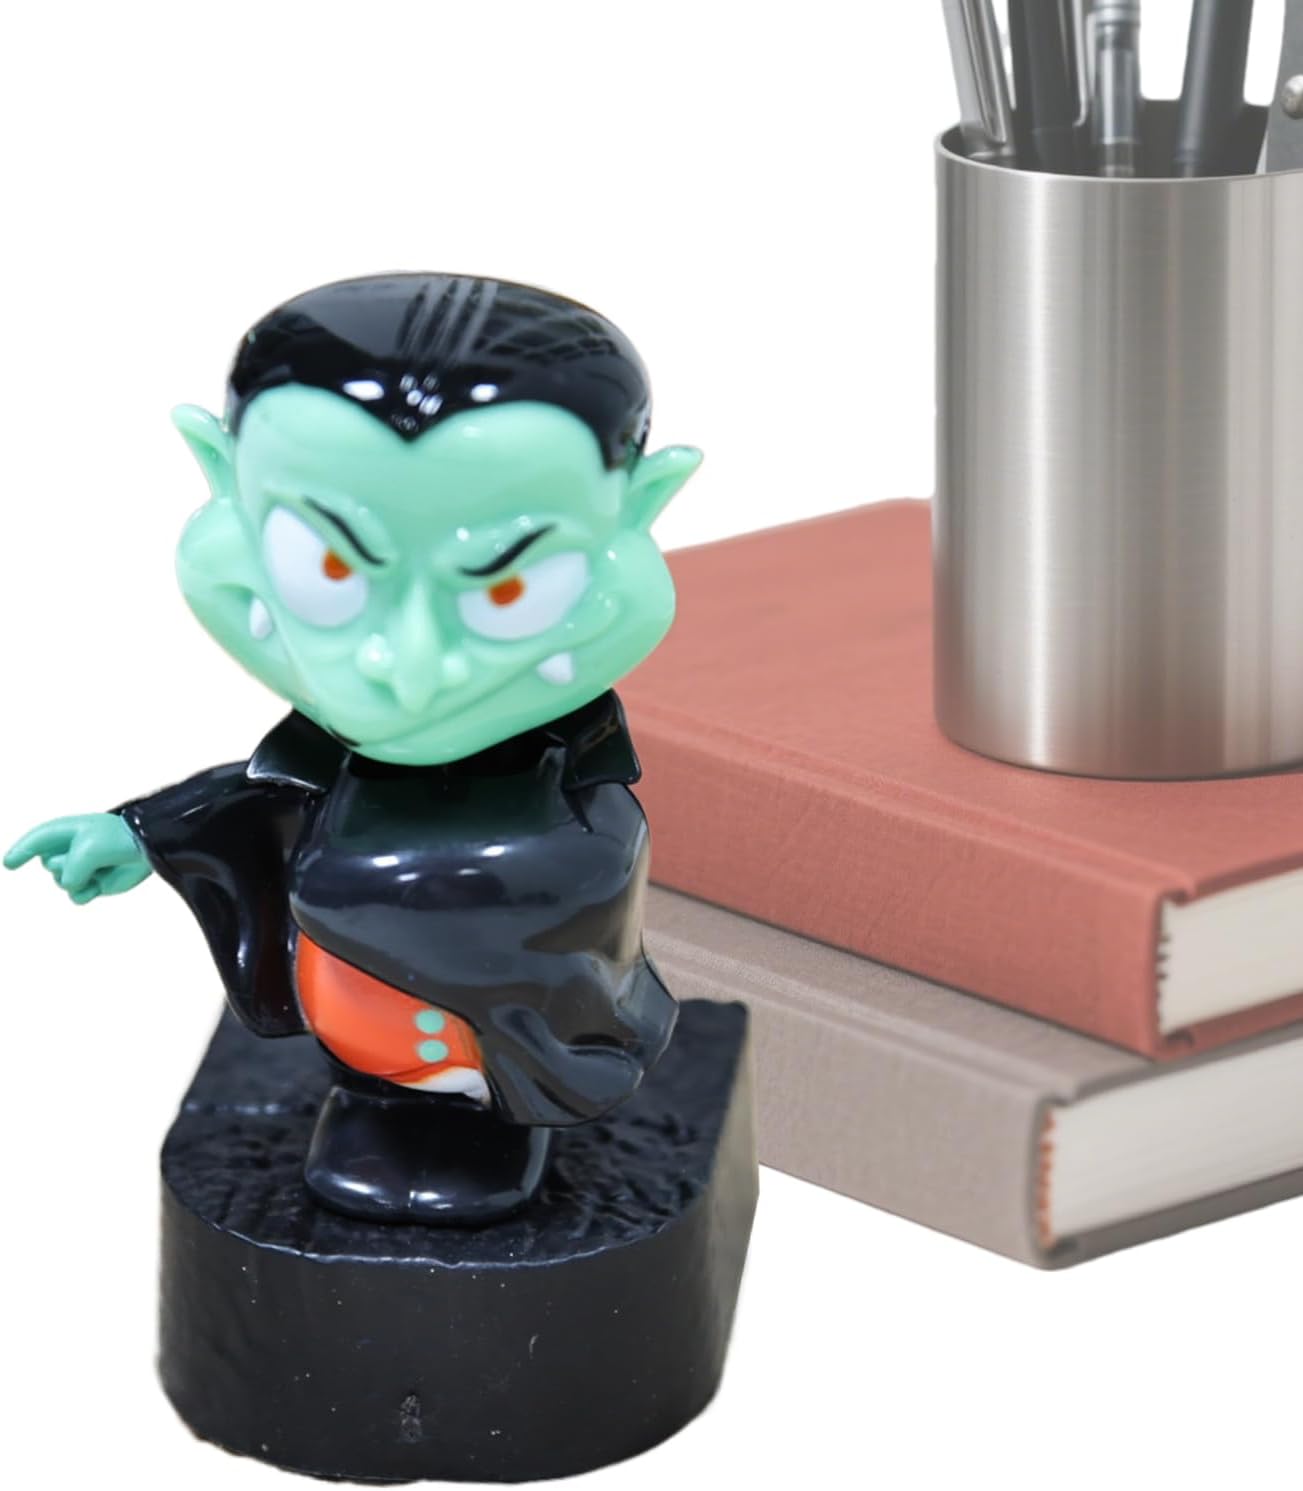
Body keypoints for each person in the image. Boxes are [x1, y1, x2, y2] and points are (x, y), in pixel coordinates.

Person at [5, 273, 701, 1225]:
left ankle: (490, 1120)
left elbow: (589, 880)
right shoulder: (323, 756)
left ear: (640, 513)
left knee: (484, 1073)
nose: (405, 669)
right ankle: (381, 1101)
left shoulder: (577, 798)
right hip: (356, 1023)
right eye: (328, 565)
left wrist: (380, 886)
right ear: (221, 482)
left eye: (504, 589)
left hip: (488, 1039)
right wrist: (138, 833)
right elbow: (258, 798)